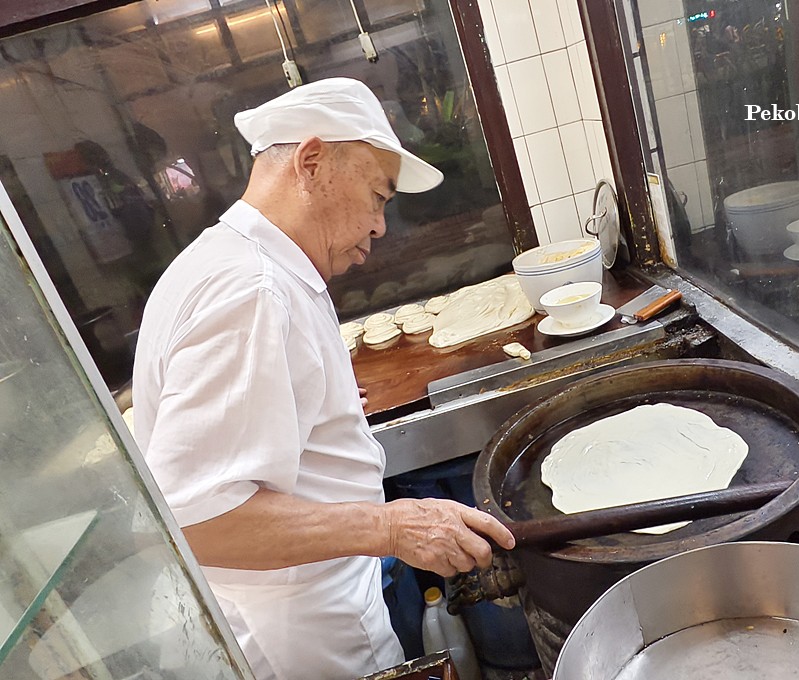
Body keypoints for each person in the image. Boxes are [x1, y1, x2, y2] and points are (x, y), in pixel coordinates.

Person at [131, 78, 516, 680]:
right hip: (294, 640)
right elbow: (198, 521)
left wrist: (309, 407)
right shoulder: (251, 293)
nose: (381, 226)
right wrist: (391, 526)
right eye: (378, 196)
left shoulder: (231, 262)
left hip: (298, 612)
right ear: (311, 162)